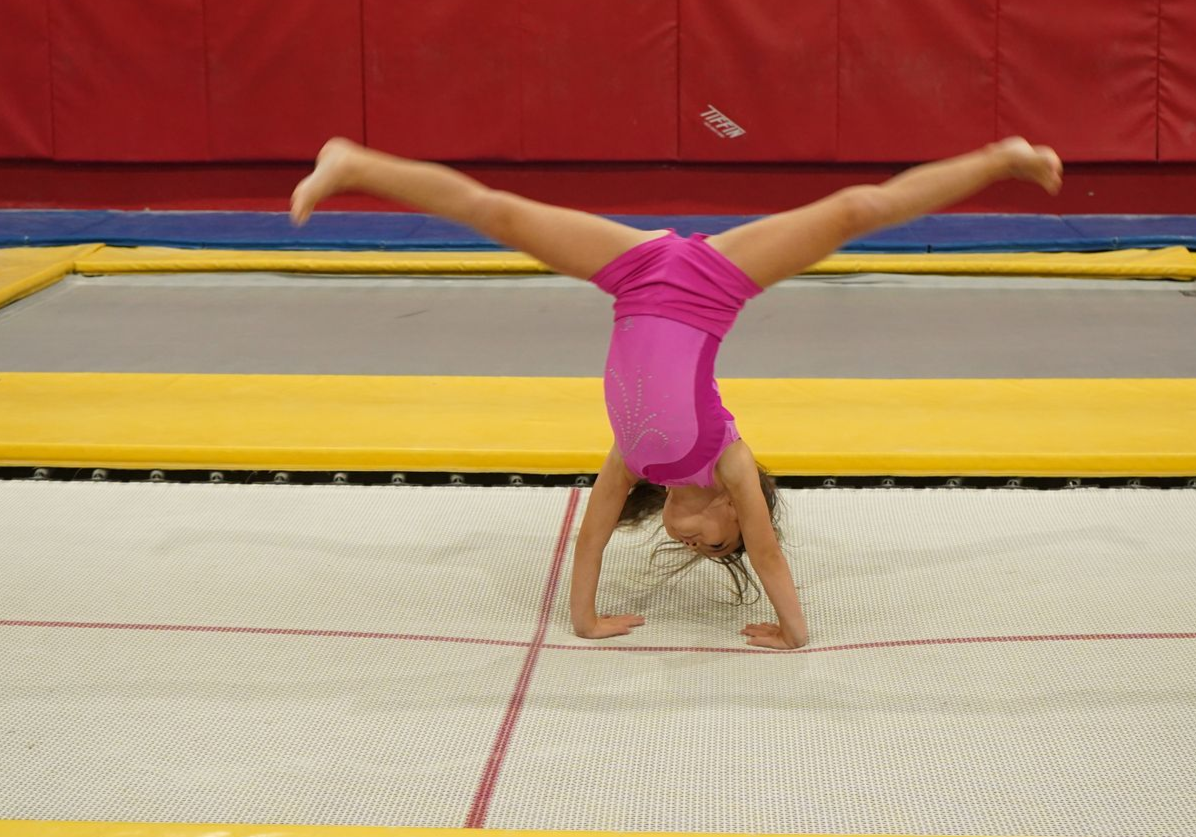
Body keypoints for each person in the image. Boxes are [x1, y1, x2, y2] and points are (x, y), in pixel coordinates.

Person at [291, 136, 1062, 649]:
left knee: (497, 214)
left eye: (696, 547)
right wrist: (794, 629)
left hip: (635, 276)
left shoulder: (633, 463)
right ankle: (1002, 157)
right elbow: (769, 550)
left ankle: (355, 164)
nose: (699, 542)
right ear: (739, 504)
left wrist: (586, 619)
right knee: (858, 209)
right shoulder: (728, 456)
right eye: (717, 542)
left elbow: (589, 536)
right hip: (709, 284)